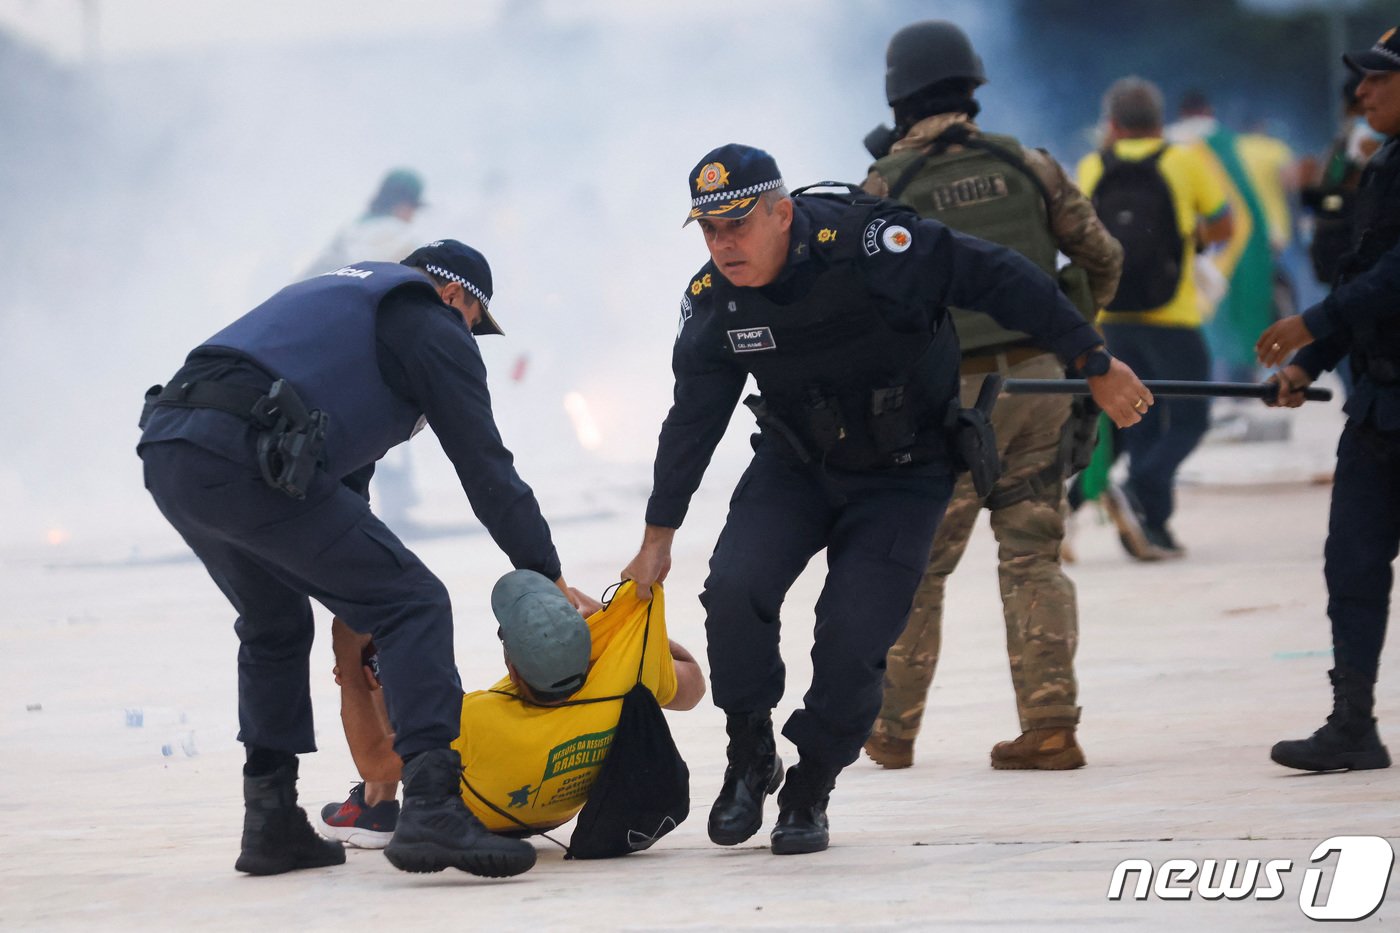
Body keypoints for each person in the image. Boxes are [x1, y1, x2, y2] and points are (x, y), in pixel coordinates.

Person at [620, 143, 1152, 856]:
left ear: (782, 213)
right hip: (796, 466)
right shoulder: (717, 300)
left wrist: (1091, 360)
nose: (724, 244)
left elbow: (998, 275)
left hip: (904, 472)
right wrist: (659, 534)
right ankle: (750, 751)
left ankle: (810, 783)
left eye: (739, 225)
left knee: (853, 633)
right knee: (734, 587)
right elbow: (693, 418)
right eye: (710, 230)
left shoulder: (869, 245)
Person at [137, 238, 578, 878]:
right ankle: (432, 808)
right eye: (476, 327)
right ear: (457, 297)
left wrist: (352, 591)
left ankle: (272, 823)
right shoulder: (430, 323)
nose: (470, 341)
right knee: (413, 601)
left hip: (173, 446)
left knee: (275, 626)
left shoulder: (344, 303)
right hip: (241, 453)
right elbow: (484, 464)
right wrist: (546, 573)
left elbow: (343, 479)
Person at [856, 20, 1124, 772]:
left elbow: (865, 303)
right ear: (971, 85)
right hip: (1043, 381)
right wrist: (1077, 338)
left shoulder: (886, 186)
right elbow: (1102, 256)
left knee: (916, 565)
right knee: (1033, 554)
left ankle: (892, 729)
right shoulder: (1028, 164)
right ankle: (1049, 724)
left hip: (949, 398)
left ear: (898, 92)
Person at [1257, 26, 1400, 774]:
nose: (1362, 93)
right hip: (1379, 407)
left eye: (1380, 78)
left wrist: (1311, 323)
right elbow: (1362, 289)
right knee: (1351, 564)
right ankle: (1353, 723)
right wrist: (1311, 362)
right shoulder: (1384, 167)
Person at [318, 572, 706, 846]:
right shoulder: (620, 683)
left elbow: (373, 759)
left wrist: (349, 661)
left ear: (512, 668)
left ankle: (374, 806)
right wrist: (619, 635)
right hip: (561, 810)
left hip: (485, 817)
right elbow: (693, 685)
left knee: (420, 676)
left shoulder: (474, 719)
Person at [1077, 77, 1234, 558]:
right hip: (1173, 313)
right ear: (1159, 120)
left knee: (1137, 417)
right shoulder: (1185, 160)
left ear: (1113, 124)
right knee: (1190, 418)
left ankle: (1152, 524)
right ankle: (1145, 493)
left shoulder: (1091, 166)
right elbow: (1224, 223)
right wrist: (1191, 242)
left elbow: (1077, 233)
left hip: (1112, 316)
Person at [304, 168, 431, 529]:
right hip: (366, 342)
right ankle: (379, 512)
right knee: (380, 426)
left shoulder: (349, 231)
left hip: (330, 339)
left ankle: (372, 509)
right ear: (403, 204)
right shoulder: (398, 236)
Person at [303, 168, 427, 277]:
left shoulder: (351, 228)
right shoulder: (400, 236)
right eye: (414, 208)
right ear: (403, 205)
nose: (412, 216)